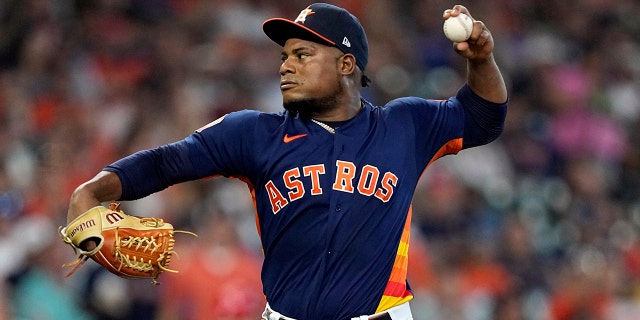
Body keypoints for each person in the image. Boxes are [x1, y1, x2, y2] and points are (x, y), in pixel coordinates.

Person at [66, 3, 507, 320]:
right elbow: (167, 162)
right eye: (284, 57)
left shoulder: (405, 125)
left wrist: (482, 60)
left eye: (302, 55)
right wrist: (94, 190)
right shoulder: (254, 133)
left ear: (346, 63)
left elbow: (482, 118)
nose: (286, 66)